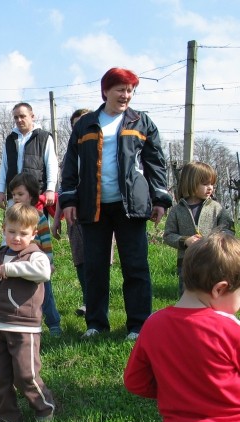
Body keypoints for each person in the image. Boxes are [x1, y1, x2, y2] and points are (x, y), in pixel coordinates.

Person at [59, 67, 173, 341]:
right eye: (120, 90)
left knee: (135, 266)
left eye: (130, 90)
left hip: (131, 207)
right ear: (106, 91)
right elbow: (70, 167)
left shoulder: (141, 122)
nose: (126, 95)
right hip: (93, 206)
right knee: (95, 267)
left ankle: (138, 326)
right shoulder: (84, 125)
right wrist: (69, 200)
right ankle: (96, 323)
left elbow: (156, 164)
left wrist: (160, 199)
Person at [124, 232, 240, 422]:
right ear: (220, 289)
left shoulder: (153, 324)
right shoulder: (230, 328)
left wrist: (172, 389)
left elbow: (134, 381)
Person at [0, 203, 56, 422]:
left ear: (34, 234)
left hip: (24, 327)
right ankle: (8, 416)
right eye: (12, 232)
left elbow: (43, 272)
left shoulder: (35, 255)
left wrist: (11, 269)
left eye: (23, 234)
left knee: (26, 375)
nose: (17, 238)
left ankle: (44, 408)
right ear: (4, 229)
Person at [163, 161, 235, 296]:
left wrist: (214, 240)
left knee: (211, 296)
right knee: (187, 296)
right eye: (205, 184)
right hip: (186, 264)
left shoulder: (217, 208)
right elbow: (168, 235)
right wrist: (185, 241)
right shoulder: (177, 210)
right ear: (190, 183)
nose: (210, 188)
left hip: (212, 262)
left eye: (212, 184)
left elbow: (229, 231)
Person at [9, 173, 63, 337]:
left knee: (45, 294)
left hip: (37, 263)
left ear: (31, 195)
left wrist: (49, 262)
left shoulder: (38, 217)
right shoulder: (11, 215)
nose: (16, 198)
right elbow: (8, 238)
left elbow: (46, 241)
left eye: (20, 194)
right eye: (13, 194)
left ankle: (54, 324)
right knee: (20, 294)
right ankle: (22, 323)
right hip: (18, 262)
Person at [52, 108, 91, 317]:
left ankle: (96, 302)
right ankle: (88, 300)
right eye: (76, 123)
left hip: (99, 213)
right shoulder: (70, 154)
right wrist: (57, 218)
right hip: (74, 214)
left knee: (98, 258)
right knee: (80, 258)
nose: (80, 126)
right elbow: (63, 189)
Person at [0, 102, 58, 212]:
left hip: (36, 196)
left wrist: (50, 189)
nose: (19, 120)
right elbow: (4, 166)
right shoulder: (10, 139)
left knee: (38, 228)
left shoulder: (44, 137)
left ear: (32, 116)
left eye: (22, 116)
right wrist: (0, 191)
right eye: (16, 117)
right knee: (14, 227)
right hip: (14, 196)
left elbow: (51, 164)